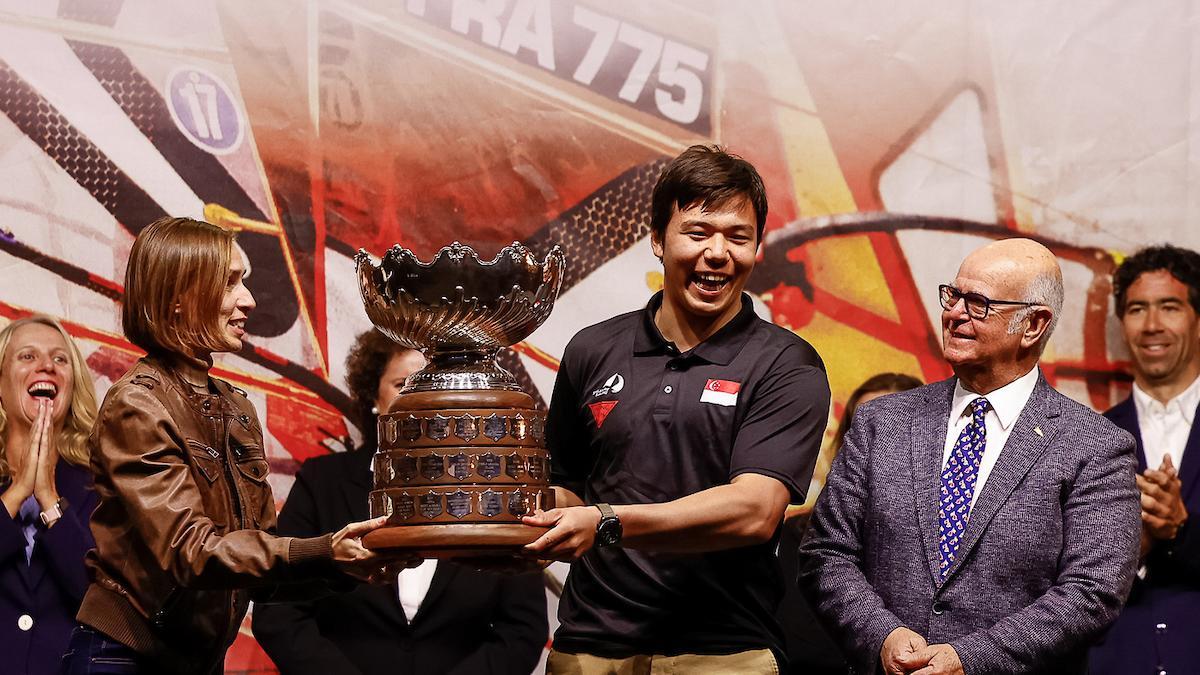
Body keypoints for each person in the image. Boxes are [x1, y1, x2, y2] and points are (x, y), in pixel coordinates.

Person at [523, 144, 830, 673]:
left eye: (738, 237)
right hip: (589, 648)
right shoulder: (592, 350)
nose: (718, 253)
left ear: (758, 248)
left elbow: (754, 511)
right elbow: (569, 482)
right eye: (698, 232)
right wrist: (497, 515)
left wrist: (606, 522)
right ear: (656, 239)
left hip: (722, 652)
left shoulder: (786, 364)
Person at [61, 217, 387, 675]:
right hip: (125, 658)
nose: (249, 300)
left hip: (197, 663)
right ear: (178, 298)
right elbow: (191, 553)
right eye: (230, 282)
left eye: (244, 281)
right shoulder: (137, 404)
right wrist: (322, 550)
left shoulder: (236, 408)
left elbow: (257, 563)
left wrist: (341, 567)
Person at [800, 238, 1141, 675]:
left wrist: (970, 660)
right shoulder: (881, 423)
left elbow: (1093, 591)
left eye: (978, 302)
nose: (954, 313)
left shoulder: (1094, 446)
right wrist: (883, 636)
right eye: (953, 295)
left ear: (1033, 325)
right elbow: (825, 553)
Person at [253, 329, 549, 674]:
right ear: (373, 397)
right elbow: (279, 613)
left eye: (436, 387)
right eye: (403, 384)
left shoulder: (498, 489)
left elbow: (523, 630)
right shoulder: (322, 483)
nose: (422, 400)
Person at [1088, 244, 1200, 674]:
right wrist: (1135, 543)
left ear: (1197, 316)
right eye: (1137, 309)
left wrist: (1180, 528)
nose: (1152, 325)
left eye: (1169, 307)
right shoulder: (1089, 438)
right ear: (1122, 322)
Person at [776, 372, 921, 675]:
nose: (874, 451)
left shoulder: (945, 548)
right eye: (861, 433)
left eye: (894, 437)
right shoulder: (799, 536)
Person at [0, 316, 99, 674]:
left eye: (60, 359)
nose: (46, 366)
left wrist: (48, 498)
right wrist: (16, 494)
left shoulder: (103, 486)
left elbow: (101, 603)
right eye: (27, 356)